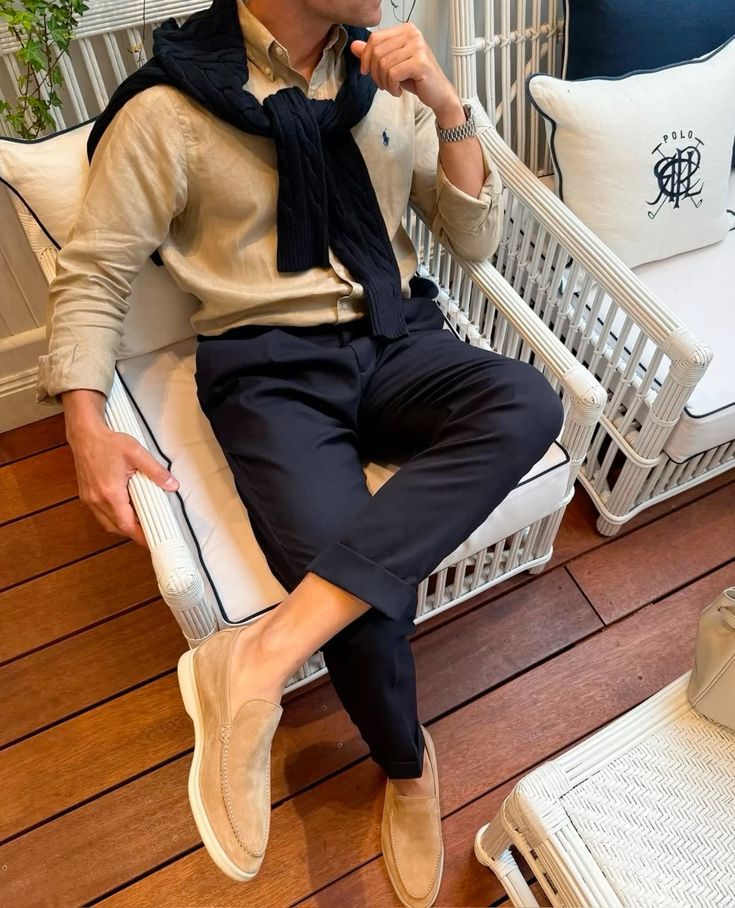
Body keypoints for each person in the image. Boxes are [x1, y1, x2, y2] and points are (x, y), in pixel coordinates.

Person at [36, 1, 564, 904]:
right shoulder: (167, 109)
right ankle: (408, 768)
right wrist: (86, 424)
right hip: (269, 373)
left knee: (525, 399)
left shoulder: (383, 72)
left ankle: (258, 655)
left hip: (398, 336)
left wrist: (445, 105)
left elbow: (473, 238)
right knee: (350, 584)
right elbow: (95, 272)